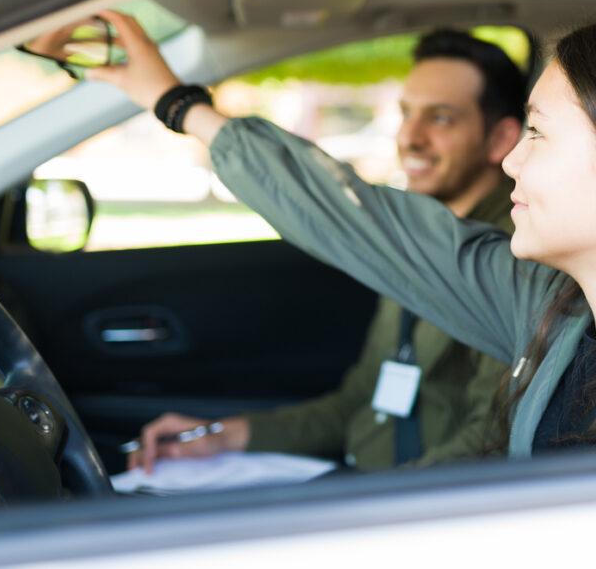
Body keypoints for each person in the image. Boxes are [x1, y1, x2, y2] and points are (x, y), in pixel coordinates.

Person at [92, 10, 596, 460]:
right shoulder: (555, 308)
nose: (511, 163)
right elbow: (360, 219)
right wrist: (174, 102)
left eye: (535, 134)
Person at [126, 29, 526, 474]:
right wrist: (224, 436)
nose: (409, 138)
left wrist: (365, 510)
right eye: (406, 113)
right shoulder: (422, 234)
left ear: (500, 140)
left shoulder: (513, 256)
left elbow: (491, 441)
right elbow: (358, 402)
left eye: (442, 119)